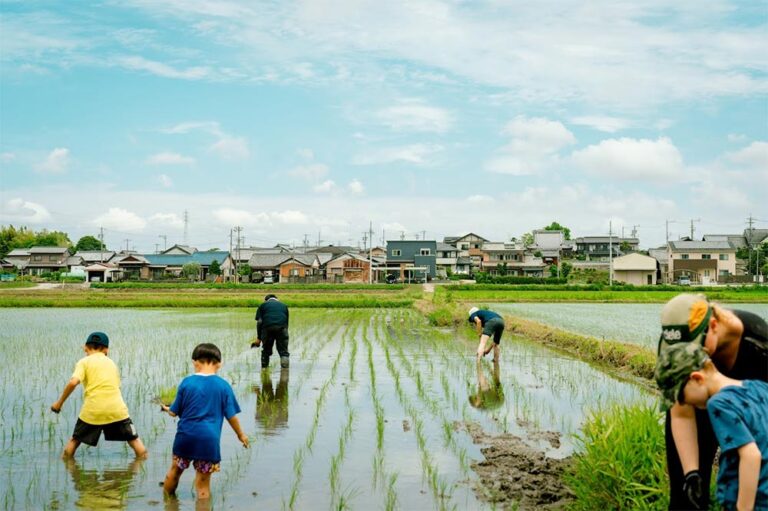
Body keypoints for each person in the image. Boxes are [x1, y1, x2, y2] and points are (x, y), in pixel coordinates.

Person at [656, 293, 768, 510]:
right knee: (685, 496)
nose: (690, 354)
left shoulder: (758, 341)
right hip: (696, 396)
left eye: (696, 348)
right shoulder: (674, 344)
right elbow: (680, 412)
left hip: (750, 408)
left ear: (714, 325)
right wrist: (691, 474)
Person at [161, 343, 249, 501]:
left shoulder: (187, 383)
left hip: (185, 437)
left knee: (175, 471)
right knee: (202, 486)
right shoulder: (224, 386)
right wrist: (241, 435)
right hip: (208, 441)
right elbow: (231, 417)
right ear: (219, 363)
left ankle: (168, 504)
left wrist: (167, 409)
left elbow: (174, 412)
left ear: (195, 362)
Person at [50, 331, 147, 459]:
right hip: (116, 410)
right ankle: (138, 473)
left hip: (92, 410)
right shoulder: (112, 363)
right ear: (106, 350)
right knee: (135, 443)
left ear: (85, 347)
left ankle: (69, 471)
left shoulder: (83, 362)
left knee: (74, 441)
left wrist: (59, 403)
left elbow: (73, 382)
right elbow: (117, 387)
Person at [253, 294, 290, 369]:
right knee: (283, 352)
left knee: (266, 350)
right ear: (277, 299)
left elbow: (259, 322)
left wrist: (259, 338)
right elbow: (286, 321)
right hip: (282, 329)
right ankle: (285, 372)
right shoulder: (284, 306)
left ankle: (264, 369)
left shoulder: (263, 305)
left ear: (266, 300)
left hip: (267, 329)